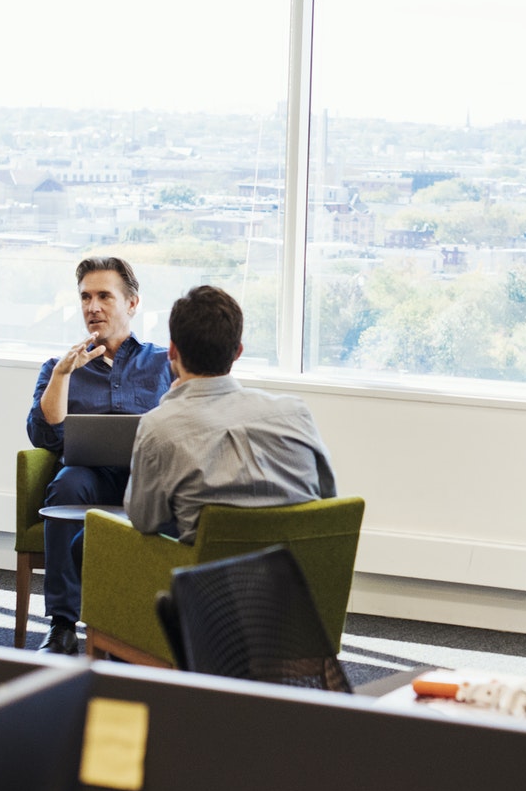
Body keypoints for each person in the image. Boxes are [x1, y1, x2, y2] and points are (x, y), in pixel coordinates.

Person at [26, 256, 173, 653]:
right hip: (87, 476)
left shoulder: (164, 363)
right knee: (66, 484)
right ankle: (62, 625)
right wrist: (61, 376)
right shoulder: (61, 367)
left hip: (147, 477)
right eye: (86, 297)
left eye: (104, 296)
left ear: (132, 303)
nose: (93, 307)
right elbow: (42, 435)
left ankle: (145, 623)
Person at [124, 284, 336, 544]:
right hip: (296, 578)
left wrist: (170, 403)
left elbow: (144, 519)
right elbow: (327, 500)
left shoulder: (159, 427)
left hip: (209, 582)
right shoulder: (295, 412)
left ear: (172, 351)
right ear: (237, 352)